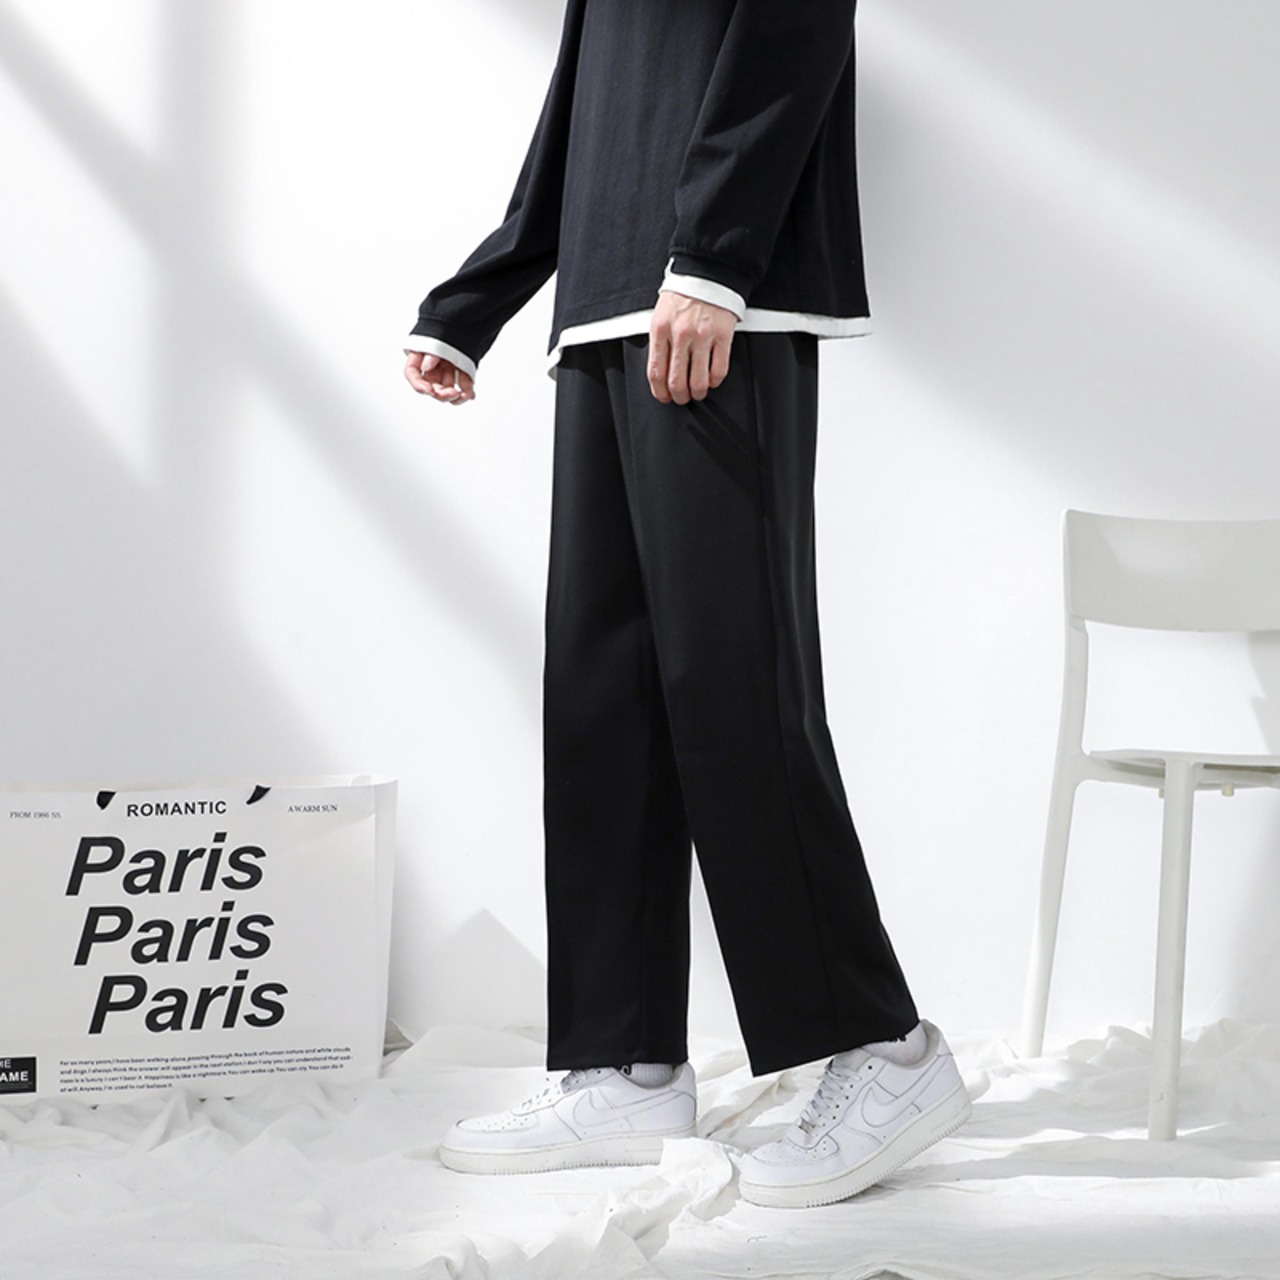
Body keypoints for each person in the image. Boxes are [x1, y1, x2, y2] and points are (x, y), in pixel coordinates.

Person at [403, 0, 970, 1209]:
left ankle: (884, 1051)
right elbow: (581, 104)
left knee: (732, 684)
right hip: (604, 307)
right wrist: (478, 296)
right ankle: (624, 1064)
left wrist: (713, 254)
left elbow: (794, 26)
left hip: (713, 302)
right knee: (599, 693)